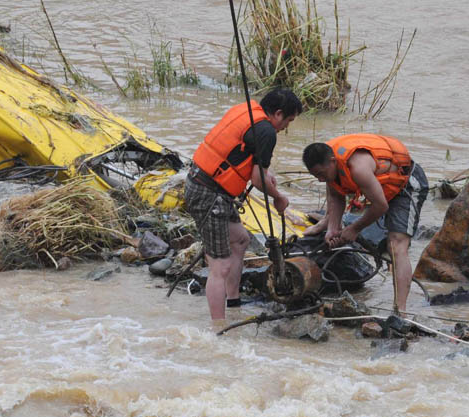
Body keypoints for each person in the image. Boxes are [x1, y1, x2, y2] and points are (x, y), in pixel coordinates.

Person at [184, 88, 302, 325]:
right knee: (220, 265)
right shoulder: (267, 132)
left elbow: (250, 163)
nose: (285, 127)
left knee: (240, 240)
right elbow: (258, 181)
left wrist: (267, 178)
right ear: (278, 114)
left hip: (207, 186)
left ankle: (233, 301)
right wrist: (278, 198)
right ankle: (219, 326)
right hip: (208, 194)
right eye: (288, 120)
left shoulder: (246, 111)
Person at [301, 134, 429, 313]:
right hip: (378, 187)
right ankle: (324, 223)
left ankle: (400, 310)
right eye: (316, 176)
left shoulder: (358, 169)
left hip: (405, 184)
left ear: (332, 161)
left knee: (396, 244)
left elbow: (381, 206)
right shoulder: (329, 165)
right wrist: (333, 229)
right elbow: (336, 194)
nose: (321, 180)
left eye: (321, 174)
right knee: (333, 224)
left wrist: (354, 229)